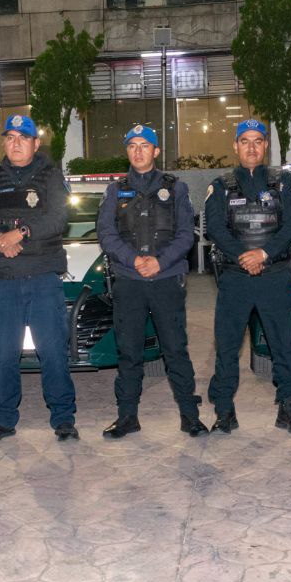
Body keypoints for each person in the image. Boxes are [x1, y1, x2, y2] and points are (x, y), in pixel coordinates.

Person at [0, 114, 78, 442]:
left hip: (43, 276)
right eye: (10, 137)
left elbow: (59, 217)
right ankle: (2, 420)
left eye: (23, 138)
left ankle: (63, 418)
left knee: (53, 350)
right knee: (3, 351)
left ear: (36, 144)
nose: (15, 143)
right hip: (4, 277)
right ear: (4, 142)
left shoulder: (51, 176)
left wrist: (21, 233)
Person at [95, 125, 207, 438]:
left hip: (166, 279)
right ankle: (127, 417)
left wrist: (160, 261)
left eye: (145, 145)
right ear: (127, 151)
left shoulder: (176, 188)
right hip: (129, 281)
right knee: (129, 352)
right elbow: (106, 233)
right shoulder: (115, 190)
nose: (138, 151)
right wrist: (133, 260)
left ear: (156, 151)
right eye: (133, 146)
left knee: (175, 349)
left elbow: (186, 234)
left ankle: (190, 416)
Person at [203, 118, 291, 433]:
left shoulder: (283, 182)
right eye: (245, 141)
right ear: (235, 146)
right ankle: (224, 411)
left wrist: (263, 254)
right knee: (227, 346)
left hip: (275, 276)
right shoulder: (220, 185)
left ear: (266, 146)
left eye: (257, 141)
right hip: (235, 278)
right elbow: (215, 228)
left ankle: (289, 407)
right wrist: (243, 256)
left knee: (284, 344)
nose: (251, 147)